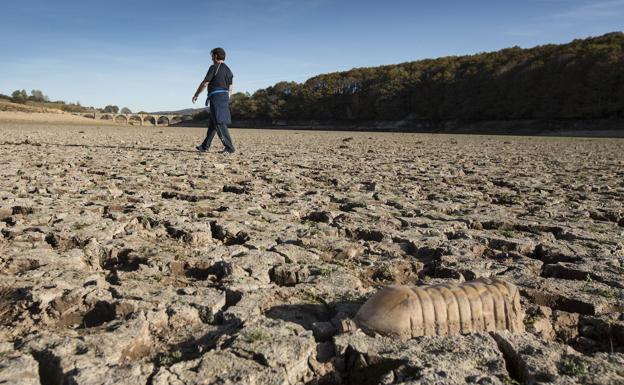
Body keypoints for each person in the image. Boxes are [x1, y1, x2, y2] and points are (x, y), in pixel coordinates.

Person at [192, 47, 235, 154]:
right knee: (213, 123)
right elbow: (230, 88)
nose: (211, 58)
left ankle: (229, 147)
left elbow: (205, 83)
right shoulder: (229, 70)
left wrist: (196, 94)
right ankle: (205, 146)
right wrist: (226, 98)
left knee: (219, 122)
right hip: (224, 97)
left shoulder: (214, 67)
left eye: (212, 56)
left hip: (217, 98)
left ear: (216, 56)